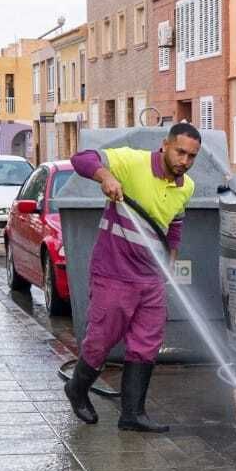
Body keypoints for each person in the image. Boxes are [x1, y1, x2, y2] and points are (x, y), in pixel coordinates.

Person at [62, 123, 200, 431]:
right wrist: (106, 176)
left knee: (147, 343)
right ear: (165, 145)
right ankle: (77, 389)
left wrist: (171, 262)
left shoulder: (186, 186)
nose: (184, 162)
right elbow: (81, 159)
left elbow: (174, 224)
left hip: (151, 278)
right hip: (114, 271)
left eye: (192, 156)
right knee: (101, 340)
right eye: (180, 152)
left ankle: (133, 414)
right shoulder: (132, 162)